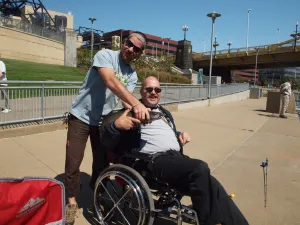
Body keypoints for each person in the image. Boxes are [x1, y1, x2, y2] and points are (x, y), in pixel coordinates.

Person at [101, 76, 249, 225]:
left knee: (212, 185)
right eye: (149, 89)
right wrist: (116, 126)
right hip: (151, 162)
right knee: (199, 168)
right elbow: (107, 141)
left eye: (157, 90)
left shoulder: (164, 113)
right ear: (141, 91)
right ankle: (210, 222)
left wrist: (179, 135)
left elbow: (166, 132)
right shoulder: (130, 112)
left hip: (175, 159)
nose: (154, 92)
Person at [64, 32, 150, 225]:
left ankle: (98, 193)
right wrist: (136, 103)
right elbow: (110, 81)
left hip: (103, 121)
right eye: (129, 44)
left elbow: (124, 99)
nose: (130, 49)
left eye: (136, 49)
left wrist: (141, 112)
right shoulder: (105, 55)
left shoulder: (132, 74)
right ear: (124, 42)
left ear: (139, 53)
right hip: (81, 117)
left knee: (102, 163)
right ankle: (71, 202)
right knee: (73, 162)